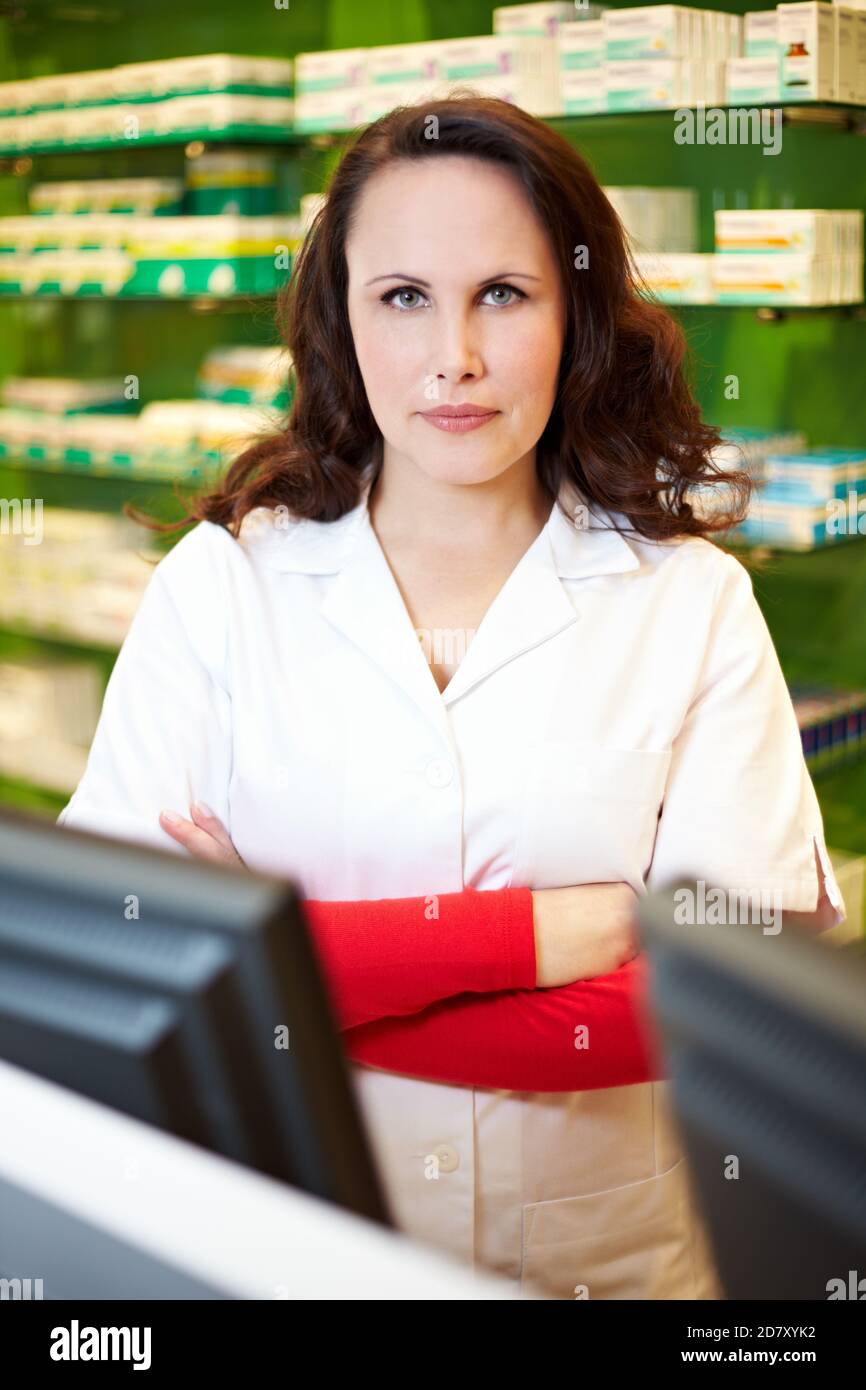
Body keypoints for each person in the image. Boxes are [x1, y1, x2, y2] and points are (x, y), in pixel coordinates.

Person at [57, 95, 844, 1300]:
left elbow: (719, 1017)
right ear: (342, 319)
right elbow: (113, 965)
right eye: (404, 296)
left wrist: (288, 985)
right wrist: (545, 932)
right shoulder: (222, 590)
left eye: (504, 294)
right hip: (293, 1259)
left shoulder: (689, 606)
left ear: (575, 313)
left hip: (605, 1272)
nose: (453, 359)